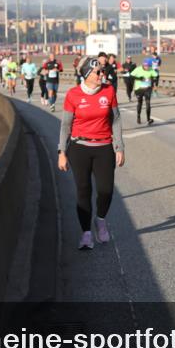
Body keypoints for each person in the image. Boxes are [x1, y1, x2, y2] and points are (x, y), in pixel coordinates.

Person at [58, 56, 126, 250]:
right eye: (98, 72)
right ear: (87, 74)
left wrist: (119, 147)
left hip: (104, 147)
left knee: (106, 190)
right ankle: (86, 234)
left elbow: (116, 120)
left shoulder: (109, 90)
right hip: (79, 148)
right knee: (83, 191)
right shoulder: (73, 95)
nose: (102, 74)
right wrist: (62, 151)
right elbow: (65, 126)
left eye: (102, 71)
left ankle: (101, 219)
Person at [130, 57, 158, 125]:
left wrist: (154, 83)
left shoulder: (151, 69)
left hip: (147, 88)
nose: (147, 67)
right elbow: (131, 76)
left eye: (148, 66)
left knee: (148, 103)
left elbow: (156, 76)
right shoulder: (138, 69)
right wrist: (139, 78)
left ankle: (148, 119)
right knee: (140, 103)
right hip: (138, 89)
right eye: (145, 66)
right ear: (143, 65)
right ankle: (138, 116)